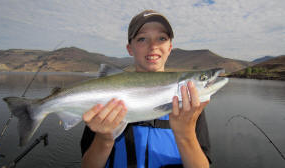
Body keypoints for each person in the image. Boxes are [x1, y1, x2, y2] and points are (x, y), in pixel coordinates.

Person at [80, 10, 211, 168]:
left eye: (161, 38)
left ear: (170, 47)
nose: (153, 46)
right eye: (142, 39)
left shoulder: (190, 104)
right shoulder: (107, 97)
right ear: (130, 48)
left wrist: (186, 135)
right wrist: (104, 139)